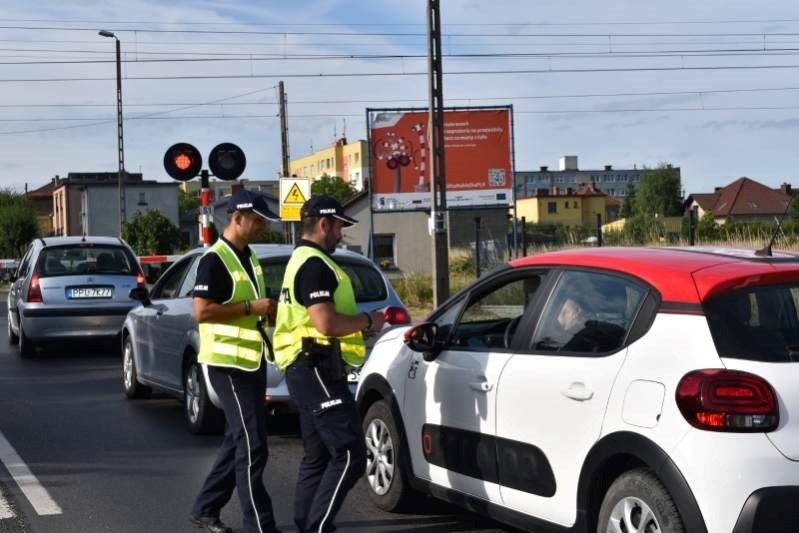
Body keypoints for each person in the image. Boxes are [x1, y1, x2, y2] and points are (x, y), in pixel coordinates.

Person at [273, 196, 385, 533]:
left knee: (318, 455)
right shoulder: (314, 265)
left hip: (307, 367)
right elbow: (325, 323)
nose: (342, 235)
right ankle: (318, 527)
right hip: (316, 366)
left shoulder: (302, 260)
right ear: (324, 224)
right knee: (350, 454)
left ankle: (306, 523)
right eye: (339, 227)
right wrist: (368, 320)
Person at [190, 189, 282, 533]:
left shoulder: (250, 257)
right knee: (253, 443)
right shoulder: (214, 260)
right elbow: (202, 312)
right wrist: (250, 308)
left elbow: (252, 310)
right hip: (226, 364)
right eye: (257, 220)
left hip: (251, 362)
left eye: (264, 221)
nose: (262, 226)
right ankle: (259, 526)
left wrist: (267, 315)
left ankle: (205, 508)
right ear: (237, 217)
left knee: (237, 439)